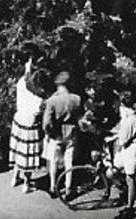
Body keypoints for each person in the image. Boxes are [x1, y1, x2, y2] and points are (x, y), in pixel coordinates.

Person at [41, 70, 84, 200]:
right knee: (69, 161)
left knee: (54, 161)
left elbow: (46, 122)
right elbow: (80, 117)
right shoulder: (76, 99)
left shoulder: (52, 101)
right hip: (71, 132)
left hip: (57, 133)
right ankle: (68, 189)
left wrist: (48, 133)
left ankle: (53, 187)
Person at [9, 60, 45, 191]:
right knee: (28, 153)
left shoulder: (20, 83)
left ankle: (15, 177)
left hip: (18, 117)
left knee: (19, 148)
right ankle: (26, 183)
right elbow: (39, 109)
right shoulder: (38, 92)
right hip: (30, 121)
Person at [108, 92, 136, 212]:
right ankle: (125, 190)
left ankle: (130, 206)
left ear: (124, 107)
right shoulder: (127, 119)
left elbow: (123, 139)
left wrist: (116, 139)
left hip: (131, 148)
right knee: (111, 171)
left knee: (130, 178)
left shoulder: (130, 120)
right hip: (125, 148)